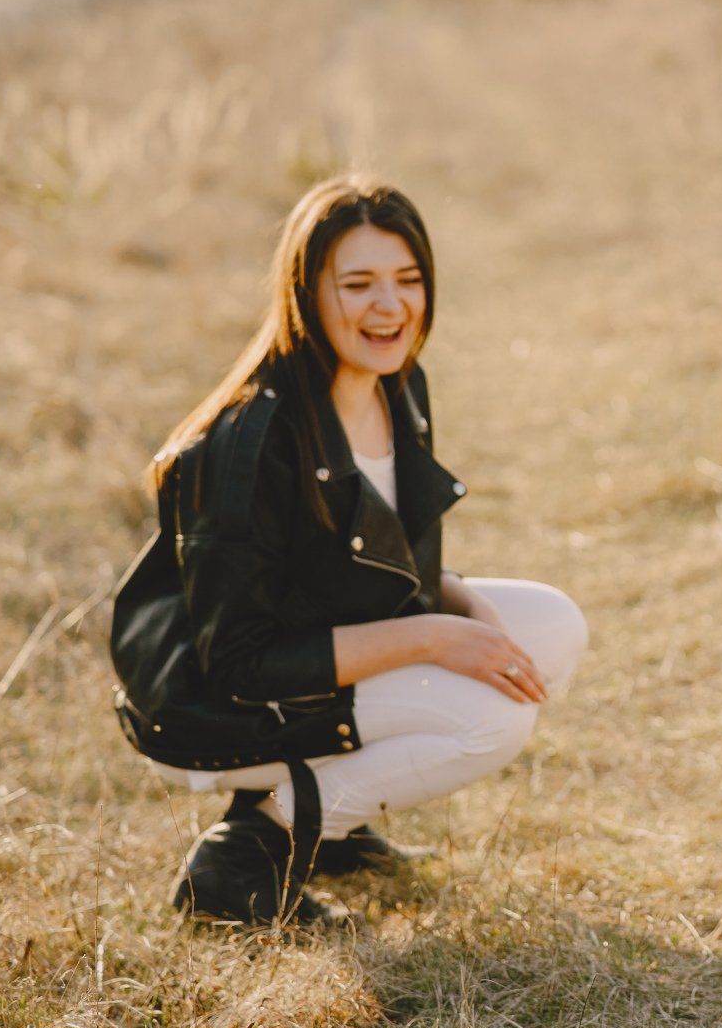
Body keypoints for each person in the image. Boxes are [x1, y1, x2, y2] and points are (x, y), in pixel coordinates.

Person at [109, 175, 587, 925]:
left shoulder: (397, 385)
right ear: (307, 293)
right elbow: (237, 661)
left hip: (305, 660)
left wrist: (459, 598)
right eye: (358, 283)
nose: (389, 306)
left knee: (554, 626)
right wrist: (435, 635)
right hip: (214, 703)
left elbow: (350, 566)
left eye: (408, 280)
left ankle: (331, 829)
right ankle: (248, 853)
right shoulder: (251, 440)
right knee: (492, 720)